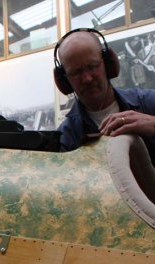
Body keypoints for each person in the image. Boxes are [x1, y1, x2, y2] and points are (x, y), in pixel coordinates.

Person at [53, 28, 155, 165]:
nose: (87, 78)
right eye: (76, 73)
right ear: (64, 81)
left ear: (108, 63)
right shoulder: (67, 136)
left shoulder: (148, 102)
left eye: (93, 66)